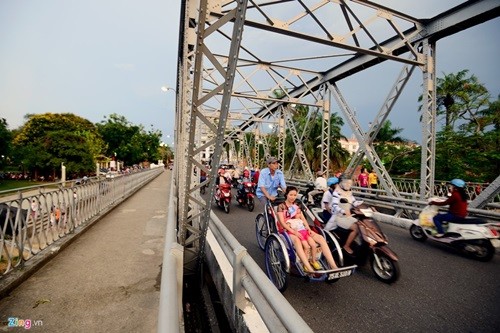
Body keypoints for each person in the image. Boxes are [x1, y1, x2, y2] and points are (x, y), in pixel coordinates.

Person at [277, 186, 338, 271]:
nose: (293, 197)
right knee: (297, 241)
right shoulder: (281, 206)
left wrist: (308, 228)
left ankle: (333, 265)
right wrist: (294, 232)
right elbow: (282, 223)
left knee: (321, 238)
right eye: (291, 195)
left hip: (300, 228)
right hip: (287, 230)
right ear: (286, 194)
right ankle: (308, 267)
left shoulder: (296, 206)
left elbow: (303, 218)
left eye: (295, 195)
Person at [324, 179, 362, 255]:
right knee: (356, 228)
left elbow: (354, 202)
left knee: (361, 225)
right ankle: (346, 246)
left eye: (349, 183)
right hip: (338, 216)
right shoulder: (335, 193)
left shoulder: (348, 192)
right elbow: (334, 206)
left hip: (346, 216)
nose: (348, 185)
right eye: (346, 183)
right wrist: (343, 211)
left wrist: (364, 206)